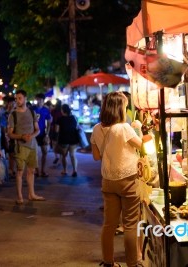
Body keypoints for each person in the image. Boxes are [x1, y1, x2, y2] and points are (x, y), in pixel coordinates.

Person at [90, 92, 144, 267]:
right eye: (125, 105)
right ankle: (132, 263)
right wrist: (139, 129)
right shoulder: (124, 127)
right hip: (128, 178)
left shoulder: (97, 128)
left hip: (108, 180)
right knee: (130, 224)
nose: (126, 108)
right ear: (119, 108)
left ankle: (108, 262)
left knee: (109, 225)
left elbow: (96, 156)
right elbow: (141, 145)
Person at [8, 89, 45, 204]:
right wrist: (21, 137)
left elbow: (37, 130)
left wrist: (31, 136)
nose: (17, 100)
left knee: (31, 171)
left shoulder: (32, 113)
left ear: (25, 99)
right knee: (19, 172)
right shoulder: (13, 115)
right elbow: (10, 133)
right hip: (20, 147)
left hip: (32, 146)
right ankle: (20, 196)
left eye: (19, 98)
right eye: (16, 98)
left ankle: (31, 194)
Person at [55, 104, 79, 177]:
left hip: (63, 139)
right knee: (73, 155)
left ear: (62, 110)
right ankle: (74, 170)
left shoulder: (59, 119)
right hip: (73, 139)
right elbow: (77, 127)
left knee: (64, 156)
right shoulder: (74, 118)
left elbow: (56, 130)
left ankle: (65, 170)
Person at [32, 93, 52, 177]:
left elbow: (49, 122)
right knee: (34, 153)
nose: (39, 101)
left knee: (45, 151)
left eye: (40, 100)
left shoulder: (46, 110)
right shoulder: (31, 109)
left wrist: (47, 134)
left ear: (43, 101)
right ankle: (37, 170)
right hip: (33, 133)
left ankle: (43, 170)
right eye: (37, 99)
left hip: (42, 133)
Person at [0, 95, 16, 178]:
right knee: (3, 153)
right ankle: (4, 171)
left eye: (13, 103)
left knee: (12, 153)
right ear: (7, 103)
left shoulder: (16, 112)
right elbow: (0, 124)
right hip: (3, 135)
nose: (12, 105)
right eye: (10, 103)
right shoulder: (1, 111)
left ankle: (11, 170)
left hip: (13, 134)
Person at [49, 99, 62, 164]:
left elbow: (51, 120)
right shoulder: (62, 111)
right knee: (61, 143)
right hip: (61, 129)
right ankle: (61, 156)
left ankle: (56, 156)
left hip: (54, 129)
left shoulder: (53, 111)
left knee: (54, 143)